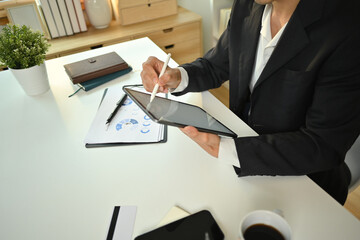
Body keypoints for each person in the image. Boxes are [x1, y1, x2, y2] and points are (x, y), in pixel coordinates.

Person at [140, 0, 360, 205]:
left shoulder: (347, 27)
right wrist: (177, 76)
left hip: (306, 183)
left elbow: (322, 144)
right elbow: (217, 64)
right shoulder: (249, 5)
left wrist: (230, 150)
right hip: (244, 154)